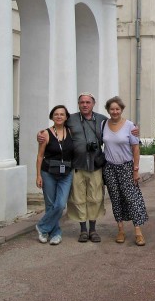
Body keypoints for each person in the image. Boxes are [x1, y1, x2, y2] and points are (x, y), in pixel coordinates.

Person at [37, 92, 138, 243]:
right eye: (82, 102)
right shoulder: (71, 119)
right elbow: (56, 126)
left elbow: (118, 123)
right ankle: (83, 230)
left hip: (96, 166)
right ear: (78, 104)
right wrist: (40, 134)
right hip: (76, 166)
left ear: (93, 104)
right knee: (78, 199)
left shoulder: (103, 120)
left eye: (88, 102)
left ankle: (93, 229)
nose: (85, 105)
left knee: (95, 198)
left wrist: (135, 129)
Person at [102, 96, 148, 246]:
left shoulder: (129, 126)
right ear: (108, 110)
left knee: (131, 198)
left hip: (126, 167)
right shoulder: (103, 124)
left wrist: (136, 169)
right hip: (109, 167)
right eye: (112, 109)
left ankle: (138, 232)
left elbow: (135, 149)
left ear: (121, 110)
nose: (114, 111)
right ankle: (120, 230)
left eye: (117, 109)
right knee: (115, 198)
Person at [35, 105, 74, 245]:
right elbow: (40, 156)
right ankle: (55, 233)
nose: (59, 116)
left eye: (62, 114)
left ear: (66, 117)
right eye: (56, 114)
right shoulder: (45, 134)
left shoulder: (71, 132)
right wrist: (38, 175)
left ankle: (42, 227)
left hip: (66, 173)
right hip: (48, 172)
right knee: (50, 204)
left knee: (60, 204)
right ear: (52, 117)